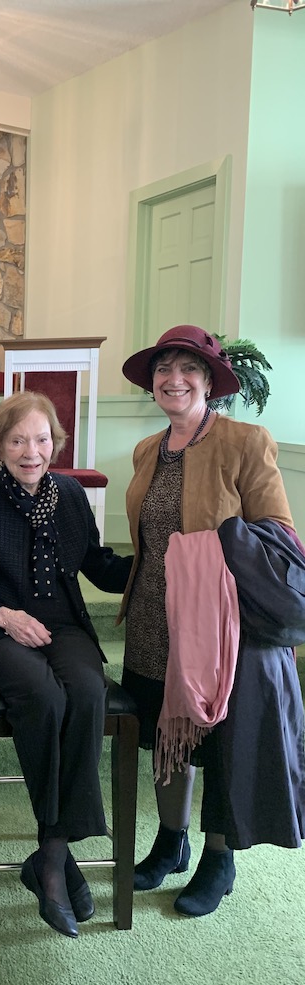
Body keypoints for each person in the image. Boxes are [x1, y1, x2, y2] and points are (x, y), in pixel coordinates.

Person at [120, 324, 305, 916]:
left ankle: (218, 858)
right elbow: (148, 540)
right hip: (154, 615)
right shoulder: (147, 450)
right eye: (163, 369)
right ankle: (170, 841)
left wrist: (216, 546)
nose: (173, 379)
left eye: (188, 369)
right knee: (165, 734)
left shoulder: (245, 441)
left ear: (209, 382)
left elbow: (280, 534)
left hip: (223, 627)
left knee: (222, 742)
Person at [0, 392, 132, 939]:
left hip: (63, 625)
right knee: (44, 696)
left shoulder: (70, 494)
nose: (32, 451)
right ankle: (56, 863)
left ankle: (50, 852)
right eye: (18, 440)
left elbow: (96, 563)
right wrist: (4, 616)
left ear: (56, 443)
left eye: (42, 439)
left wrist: (156, 562)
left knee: (88, 691)